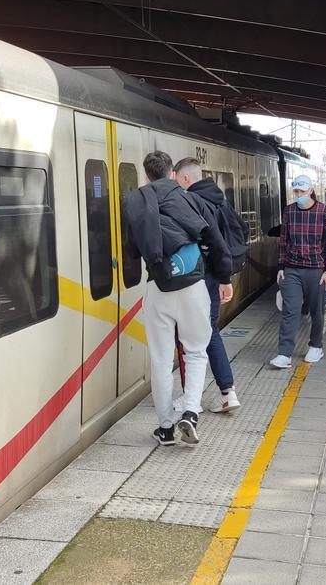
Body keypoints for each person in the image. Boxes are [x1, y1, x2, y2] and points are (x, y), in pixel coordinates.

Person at [122, 151, 233, 446]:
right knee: (195, 352)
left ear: (146, 175)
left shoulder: (135, 201)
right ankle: (190, 414)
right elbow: (216, 241)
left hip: (158, 287)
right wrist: (224, 278)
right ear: (172, 173)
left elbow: (131, 250)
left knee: (160, 359)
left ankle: (166, 428)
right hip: (193, 287)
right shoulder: (190, 198)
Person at [174, 158, 242, 413]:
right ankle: (228, 392)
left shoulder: (193, 203)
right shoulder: (220, 199)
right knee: (209, 331)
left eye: (177, 180)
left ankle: (193, 400)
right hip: (216, 277)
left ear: (186, 179)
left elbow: (211, 243)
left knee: (193, 337)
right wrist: (225, 279)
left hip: (200, 278)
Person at [270, 174, 326, 369]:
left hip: (316, 270)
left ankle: (316, 346)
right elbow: (284, 241)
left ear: (311, 190)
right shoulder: (289, 211)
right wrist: (281, 266)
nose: (298, 195)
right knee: (290, 310)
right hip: (292, 268)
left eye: (302, 191)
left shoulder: (324, 211)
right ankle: (284, 354)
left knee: (316, 310)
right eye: (296, 191)